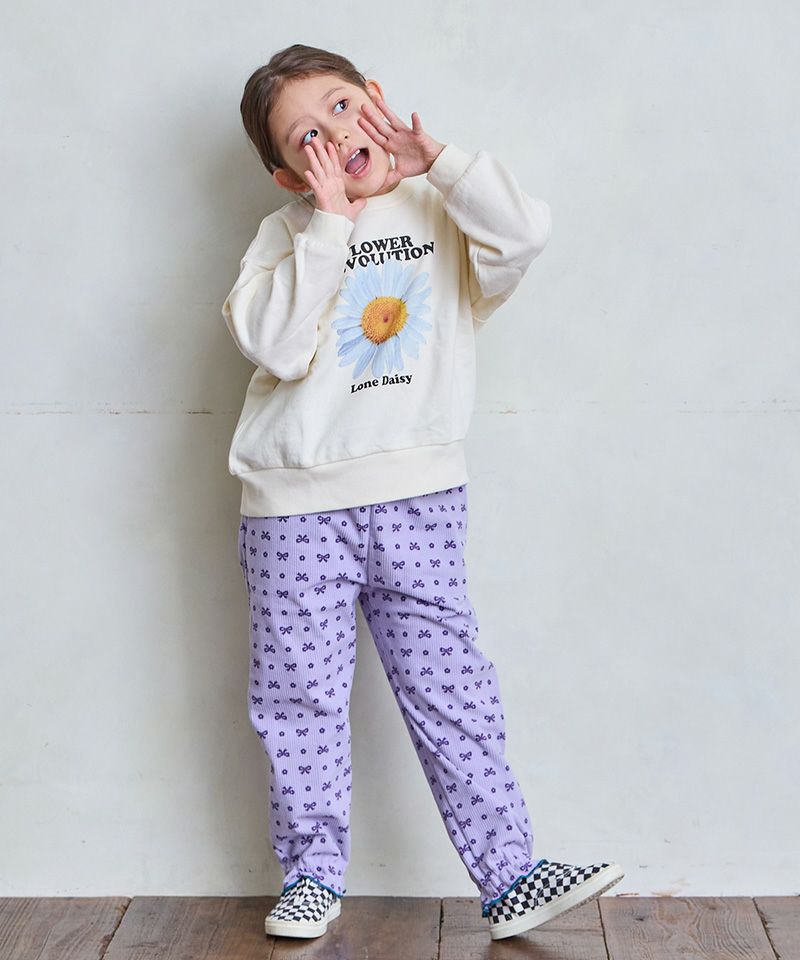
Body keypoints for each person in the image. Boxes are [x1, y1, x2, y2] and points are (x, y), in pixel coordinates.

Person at [222, 43, 624, 942]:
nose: (333, 136)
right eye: (305, 138)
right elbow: (276, 343)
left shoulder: (442, 206)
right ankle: (312, 876)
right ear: (286, 173)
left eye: (340, 107)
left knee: (452, 690)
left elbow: (524, 234)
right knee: (300, 698)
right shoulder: (287, 236)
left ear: (375, 96)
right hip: (294, 507)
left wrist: (437, 160)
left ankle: (510, 875)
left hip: (418, 494)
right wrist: (328, 222)